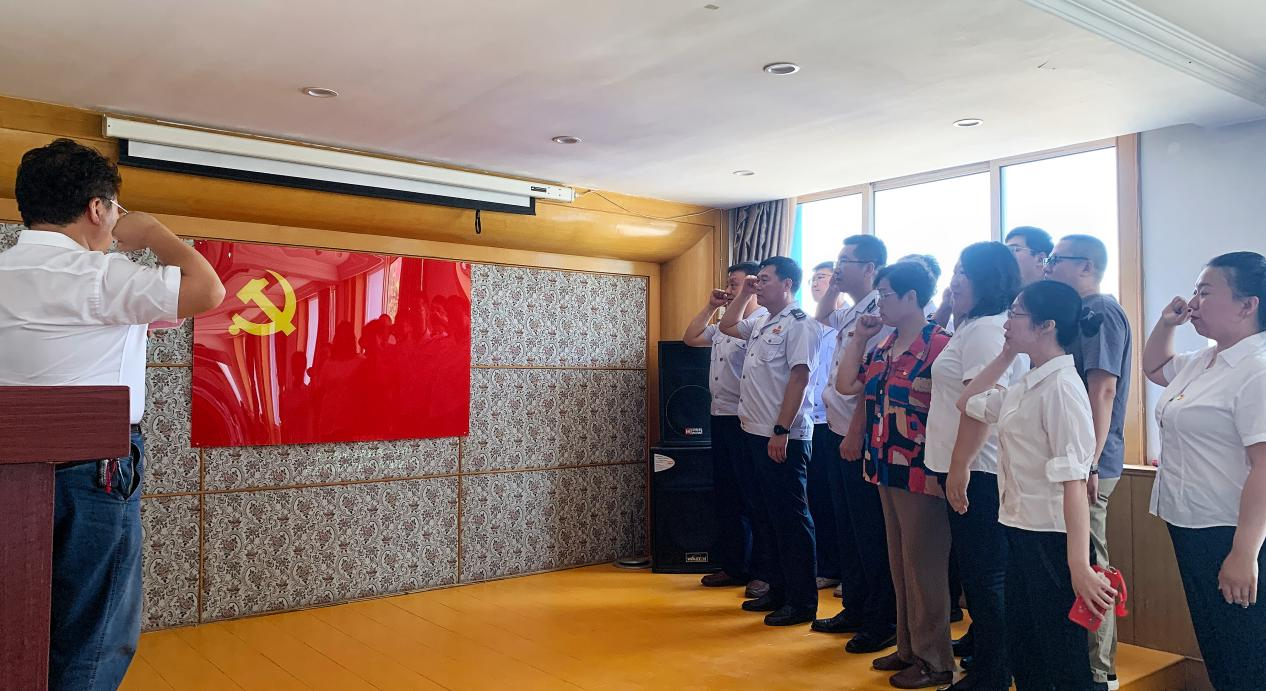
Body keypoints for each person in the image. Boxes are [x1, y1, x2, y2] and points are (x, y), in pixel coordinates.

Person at [0, 139, 225, 690]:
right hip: (93, 471)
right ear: (97, 208)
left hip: (8, 472)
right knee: (93, 630)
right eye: (115, 208)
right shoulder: (102, 276)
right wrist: (152, 233)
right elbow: (208, 289)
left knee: (15, 623)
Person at [959, 280, 1116, 691]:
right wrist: (1005, 354)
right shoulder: (1029, 382)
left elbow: (1074, 483)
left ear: (1046, 326)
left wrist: (1078, 565)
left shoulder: (1063, 389)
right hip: (1019, 529)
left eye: (1016, 314)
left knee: (1061, 658)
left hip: (1052, 538)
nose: (1007, 322)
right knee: (1026, 649)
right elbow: (968, 401)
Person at [1142, 252, 1266, 691]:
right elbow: (1154, 368)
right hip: (1190, 524)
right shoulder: (1204, 360)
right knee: (1218, 642)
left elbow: (1264, 467)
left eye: (1206, 292)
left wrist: (1244, 553)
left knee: (1245, 651)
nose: (1193, 302)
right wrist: (1167, 323)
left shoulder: (1256, 369)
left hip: (1232, 531)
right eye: (1195, 291)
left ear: (1247, 304)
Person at [837, 261, 954, 689]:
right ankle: (908, 648)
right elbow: (846, 385)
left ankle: (936, 660)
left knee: (925, 567)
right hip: (884, 466)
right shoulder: (883, 345)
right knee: (900, 563)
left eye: (886, 295)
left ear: (911, 297)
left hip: (922, 471)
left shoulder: (940, 345)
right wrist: (859, 337)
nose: (879, 303)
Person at [928, 243, 1026, 691]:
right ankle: (988, 654)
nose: (954, 281)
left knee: (987, 576)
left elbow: (981, 406)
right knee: (978, 572)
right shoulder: (972, 325)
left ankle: (992, 673)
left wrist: (960, 466)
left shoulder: (987, 330)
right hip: (965, 464)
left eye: (963, 272)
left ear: (988, 280)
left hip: (979, 469)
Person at [1044, 234, 1131, 689]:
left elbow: (1103, 389)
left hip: (1092, 462)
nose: (1048, 265)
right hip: (1075, 462)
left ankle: (1101, 672)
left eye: (1056, 259)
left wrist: (1091, 463)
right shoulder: (1078, 314)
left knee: (1093, 563)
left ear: (1086, 266)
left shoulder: (1100, 312)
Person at [719, 256, 819, 626]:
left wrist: (781, 430)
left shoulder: (800, 324)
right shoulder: (763, 320)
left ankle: (802, 601)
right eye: (756, 280)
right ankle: (777, 589)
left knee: (791, 520)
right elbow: (727, 325)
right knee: (767, 517)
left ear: (787, 284)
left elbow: (799, 378)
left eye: (764, 280)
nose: (758, 285)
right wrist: (744, 293)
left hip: (782, 436)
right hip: (754, 432)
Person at [812, 235, 898, 654]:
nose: (838, 267)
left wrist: (855, 433)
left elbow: (872, 382)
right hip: (835, 427)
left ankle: (880, 620)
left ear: (870, 268)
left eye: (846, 261)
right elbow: (822, 314)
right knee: (846, 526)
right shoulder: (852, 311)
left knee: (868, 531)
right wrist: (834, 284)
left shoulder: (882, 314)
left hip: (858, 435)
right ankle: (855, 606)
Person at [682, 261, 768, 595]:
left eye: (736, 284)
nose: (730, 290)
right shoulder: (723, 324)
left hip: (747, 418)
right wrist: (710, 307)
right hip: (719, 416)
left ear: (754, 286)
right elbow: (690, 338)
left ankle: (762, 571)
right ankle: (734, 566)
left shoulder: (761, 322)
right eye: (729, 284)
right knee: (727, 495)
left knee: (753, 497)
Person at [807, 260, 845, 592]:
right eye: (813, 278)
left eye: (822, 277)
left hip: (838, 420)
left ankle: (843, 569)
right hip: (811, 419)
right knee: (819, 497)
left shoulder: (848, 319)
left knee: (838, 502)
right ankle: (828, 564)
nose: (815, 283)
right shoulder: (810, 322)